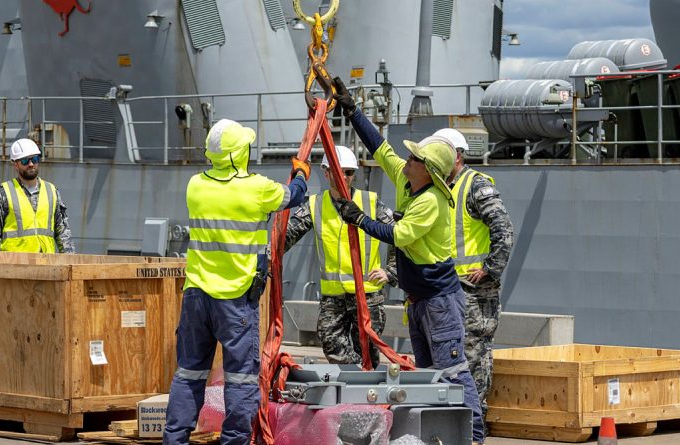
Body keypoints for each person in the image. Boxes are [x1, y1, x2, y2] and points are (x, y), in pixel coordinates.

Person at [331, 78, 485, 444]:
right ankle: (439, 435)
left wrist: (359, 219)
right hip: (420, 302)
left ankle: (474, 436)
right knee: (428, 375)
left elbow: (397, 236)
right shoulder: (410, 181)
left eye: (415, 158)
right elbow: (380, 147)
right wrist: (352, 111)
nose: (407, 161)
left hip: (439, 302)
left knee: (453, 372)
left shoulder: (431, 201)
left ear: (428, 169)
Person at [163, 119, 310, 445]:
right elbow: (295, 197)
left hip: (197, 295)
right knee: (241, 379)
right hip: (236, 301)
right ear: (236, 154)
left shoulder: (195, 186)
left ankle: (174, 440)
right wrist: (301, 172)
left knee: (189, 374)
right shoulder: (256, 188)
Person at [285, 145, 397, 369]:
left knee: (368, 352)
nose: (344, 177)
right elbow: (285, 237)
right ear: (326, 173)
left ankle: (366, 396)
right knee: (331, 343)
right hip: (333, 297)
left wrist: (390, 271)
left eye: (348, 172)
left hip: (367, 295)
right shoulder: (315, 205)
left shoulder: (371, 203)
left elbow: (399, 236)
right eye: (338, 171)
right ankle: (358, 380)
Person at [437, 128, 514, 421]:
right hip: (448, 289)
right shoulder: (443, 186)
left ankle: (474, 422)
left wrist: (490, 269)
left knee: (474, 356)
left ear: (456, 156)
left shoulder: (474, 185)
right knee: (453, 356)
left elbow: (503, 229)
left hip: (474, 292)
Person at [0, 138, 74, 253]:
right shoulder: (4, 192)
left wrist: (70, 259)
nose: (31, 164)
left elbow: (63, 231)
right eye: (25, 161)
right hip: (14, 265)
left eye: (35, 159)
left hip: (45, 264)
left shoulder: (51, 191)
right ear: (15, 164)